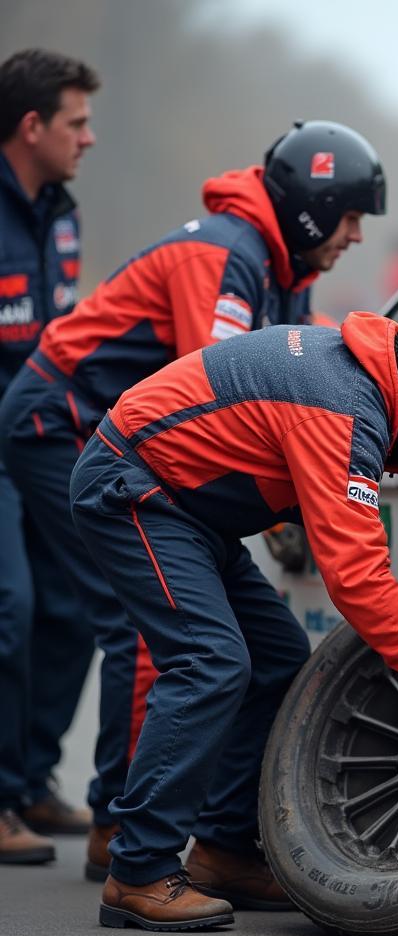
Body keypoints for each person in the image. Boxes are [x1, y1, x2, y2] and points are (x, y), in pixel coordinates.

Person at [0, 120, 384, 877]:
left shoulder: (280, 267)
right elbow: (207, 398)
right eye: (348, 218)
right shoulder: (225, 257)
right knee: (143, 625)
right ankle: (121, 831)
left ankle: (55, 791)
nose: (356, 237)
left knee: (88, 613)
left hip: (110, 432)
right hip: (60, 419)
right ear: (312, 208)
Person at [67, 308, 398, 930]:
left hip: (186, 506)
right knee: (210, 662)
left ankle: (222, 850)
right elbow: (357, 579)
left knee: (280, 655)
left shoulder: (358, 387)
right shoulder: (343, 408)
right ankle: (139, 870)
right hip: (135, 489)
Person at [0, 48, 100, 863]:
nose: (89, 138)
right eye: (77, 122)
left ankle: (31, 780)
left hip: (43, 432)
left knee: (77, 603)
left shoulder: (60, 210)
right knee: (11, 607)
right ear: (31, 126)